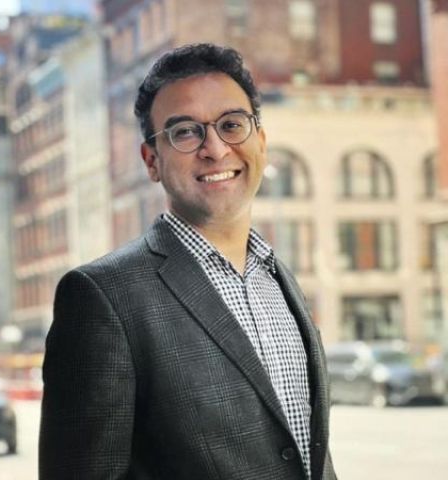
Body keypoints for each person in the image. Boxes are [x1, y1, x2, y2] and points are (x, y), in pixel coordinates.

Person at [39, 43, 337, 480]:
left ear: (261, 141)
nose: (215, 149)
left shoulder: (279, 279)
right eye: (184, 132)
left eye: (232, 125)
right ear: (152, 161)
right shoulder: (101, 298)